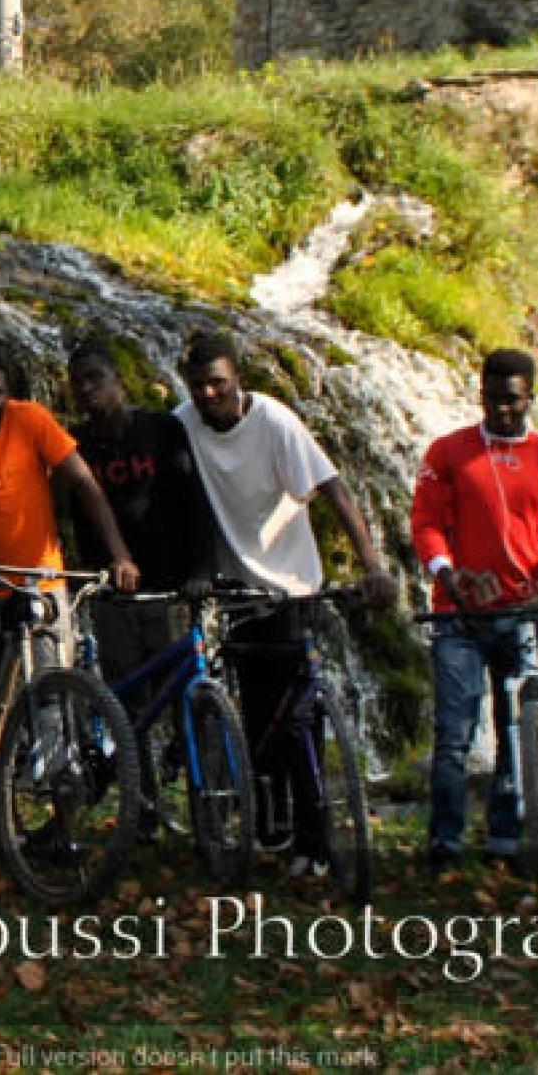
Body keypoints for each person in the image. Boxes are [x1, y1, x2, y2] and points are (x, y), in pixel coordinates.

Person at [175, 330, 396, 879]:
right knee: (255, 718)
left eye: (219, 385)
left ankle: (315, 842)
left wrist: (372, 564)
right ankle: (270, 830)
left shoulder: (273, 421)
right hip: (235, 589)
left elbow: (333, 488)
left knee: (298, 720)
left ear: (238, 380)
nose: (209, 396)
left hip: (290, 585)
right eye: (199, 386)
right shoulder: (182, 423)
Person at [409, 348, 538, 871]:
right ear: (479, 393)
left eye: (513, 400)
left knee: (517, 729)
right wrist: (446, 572)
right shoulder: (447, 453)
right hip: (458, 615)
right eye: (493, 398)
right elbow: (426, 523)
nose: (503, 410)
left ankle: (505, 837)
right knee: (455, 735)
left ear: (529, 396)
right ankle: (445, 841)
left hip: (524, 612)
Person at [0, 344, 138, 673]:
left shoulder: (31, 419)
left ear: (8, 394)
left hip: (40, 580)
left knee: (51, 689)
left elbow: (84, 484)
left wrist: (120, 556)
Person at [65, 338, 208, 684]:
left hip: (170, 587)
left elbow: (194, 499)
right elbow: (76, 515)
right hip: (113, 592)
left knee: (180, 688)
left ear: (118, 379)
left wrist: (202, 568)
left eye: (95, 378)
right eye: (78, 382)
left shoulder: (162, 429)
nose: (86, 388)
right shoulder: (73, 444)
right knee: (127, 694)